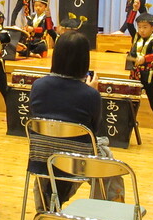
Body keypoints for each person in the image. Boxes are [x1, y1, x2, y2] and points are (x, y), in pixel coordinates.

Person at [29, 30, 124, 210]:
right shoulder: (90, 94)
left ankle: (45, 206)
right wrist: (91, 91)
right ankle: (107, 211)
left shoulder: (38, 86)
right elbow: (94, 129)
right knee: (106, 157)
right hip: (79, 161)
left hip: (42, 158)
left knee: (56, 153)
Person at [126, 13, 153, 141]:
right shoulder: (136, 38)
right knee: (131, 104)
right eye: (139, 27)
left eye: (145, 27)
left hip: (148, 76)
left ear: (152, 28)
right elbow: (129, 24)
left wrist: (144, 58)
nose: (142, 30)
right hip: (135, 75)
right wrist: (134, 10)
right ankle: (126, 129)